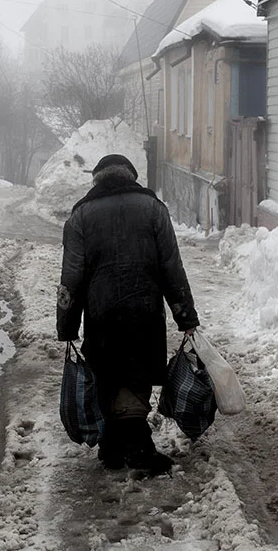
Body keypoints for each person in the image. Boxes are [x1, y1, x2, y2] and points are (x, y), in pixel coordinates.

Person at [57, 154, 199, 474]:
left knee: (108, 372)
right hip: (144, 310)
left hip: (101, 313)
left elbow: (72, 278)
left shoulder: (80, 215)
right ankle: (136, 446)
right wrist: (185, 317)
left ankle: (114, 445)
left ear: (97, 179)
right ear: (131, 177)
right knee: (136, 373)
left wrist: (66, 324)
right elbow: (171, 269)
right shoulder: (153, 209)